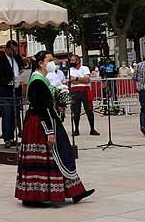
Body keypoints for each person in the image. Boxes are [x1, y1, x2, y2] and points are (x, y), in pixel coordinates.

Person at [15, 51, 95, 207]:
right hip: (40, 123)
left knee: (60, 154)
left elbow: (47, 101)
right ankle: (36, 195)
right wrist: (49, 131)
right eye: (50, 60)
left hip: (47, 119)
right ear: (41, 63)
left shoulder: (43, 79)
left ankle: (75, 191)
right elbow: (40, 107)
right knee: (49, 157)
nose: (53, 63)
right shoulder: (37, 80)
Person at [0, 40, 25, 148]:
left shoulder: (18, 58)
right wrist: (10, 80)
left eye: (16, 50)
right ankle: (7, 138)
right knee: (7, 115)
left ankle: (13, 137)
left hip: (16, 91)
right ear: (7, 49)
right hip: (5, 92)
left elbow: (21, 70)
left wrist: (22, 76)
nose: (14, 52)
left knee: (15, 115)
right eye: (12, 50)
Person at [68, 54, 98, 136]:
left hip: (85, 91)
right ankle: (76, 129)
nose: (71, 62)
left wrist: (77, 78)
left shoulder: (85, 68)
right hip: (75, 91)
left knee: (89, 110)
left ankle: (92, 129)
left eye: (73, 60)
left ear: (78, 61)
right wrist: (82, 79)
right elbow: (72, 81)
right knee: (76, 111)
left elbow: (87, 80)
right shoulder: (70, 70)